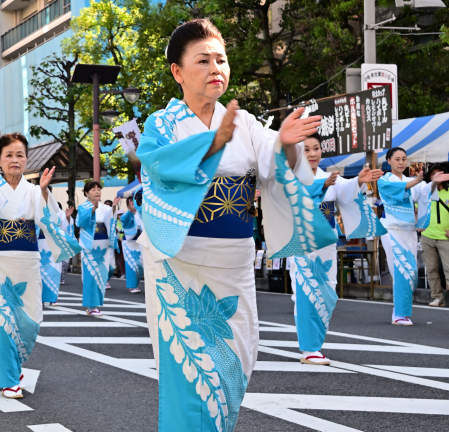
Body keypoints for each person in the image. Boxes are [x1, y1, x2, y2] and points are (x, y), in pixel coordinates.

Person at [136, 19, 334, 431]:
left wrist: (287, 142)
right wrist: (213, 142)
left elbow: (276, 167)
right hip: (180, 262)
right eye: (203, 60)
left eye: (221, 60)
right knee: (189, 373)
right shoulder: (162, 124)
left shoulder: (245, 124)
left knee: (234, 365)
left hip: (236, 260)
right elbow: (157, 166)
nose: (216, 68)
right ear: (178, 71)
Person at [0, 132, 80, 399]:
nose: (15, 159)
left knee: (31, 319)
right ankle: (9, 378)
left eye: (20, 155)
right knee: (1, 318)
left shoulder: (35, 190)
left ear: (26, 159)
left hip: (27, 260)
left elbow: (53, 221)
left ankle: (14, 366)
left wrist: (46, 191)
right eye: (9, 155)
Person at [290, 133, 385, 365]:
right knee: (306, 292)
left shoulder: (329, 177)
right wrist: (322, 185)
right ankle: (309, 348)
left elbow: (346, 189)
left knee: (327, 292)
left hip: (327, 243)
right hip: (303, 242)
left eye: (316, 149)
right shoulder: (291, 177)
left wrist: (359, 180)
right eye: (307, 149)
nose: (312, 154)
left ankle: (316, 346)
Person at [378, 148, 449, 325]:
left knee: (411, 273)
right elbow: (395, 189)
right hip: (391, 230)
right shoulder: (384, 180)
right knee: (401, 270)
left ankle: (399, 309)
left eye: (404, 159)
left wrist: (432, 183)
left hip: (408, 230)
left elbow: (424, 195)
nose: (401, 162)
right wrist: (419, 180)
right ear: (389, 161)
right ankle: (399, 314)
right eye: (397, 159)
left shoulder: (412, 181)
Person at [78, 182, 120, 316]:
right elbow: (81, 222)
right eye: (93, 189)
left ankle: (94, 305)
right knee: (91, 275)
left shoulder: (105, 208)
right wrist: (92, 209)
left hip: (103, 246)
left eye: (98, 189)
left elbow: (110, 220)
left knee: (101, 276)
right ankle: (92, 307)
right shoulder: (82, 207)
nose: (97, 191)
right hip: (90, 247)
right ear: (86, 193)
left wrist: (113, 208)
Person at [420, 163, 449, 307]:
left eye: (439, 174)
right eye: (433, 174)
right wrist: (420, 226)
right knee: (431, 268)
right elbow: (417, 210)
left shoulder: (448, 192)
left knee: (448, 268)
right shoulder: (425, 193)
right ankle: (438, 297)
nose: (436, 177)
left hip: (445, 236)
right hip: (428, 236)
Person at [121, 194, 144, 293]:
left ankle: (136, 284)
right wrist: (130, 211)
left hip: (139, 243)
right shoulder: (127, 215)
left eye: (134, 203)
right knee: (132, 264)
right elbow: (123, 220)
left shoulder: (141, 214)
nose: (133, 205)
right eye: (130, 203)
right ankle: (132, 286)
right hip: (129, 243)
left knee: (141, 265)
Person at [60, 202, 75, 285]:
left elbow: (69, 227)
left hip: (65, 241)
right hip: (55, 241)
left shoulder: (64, 216)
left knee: (65, 261)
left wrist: (67, 218)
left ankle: (62, 277)